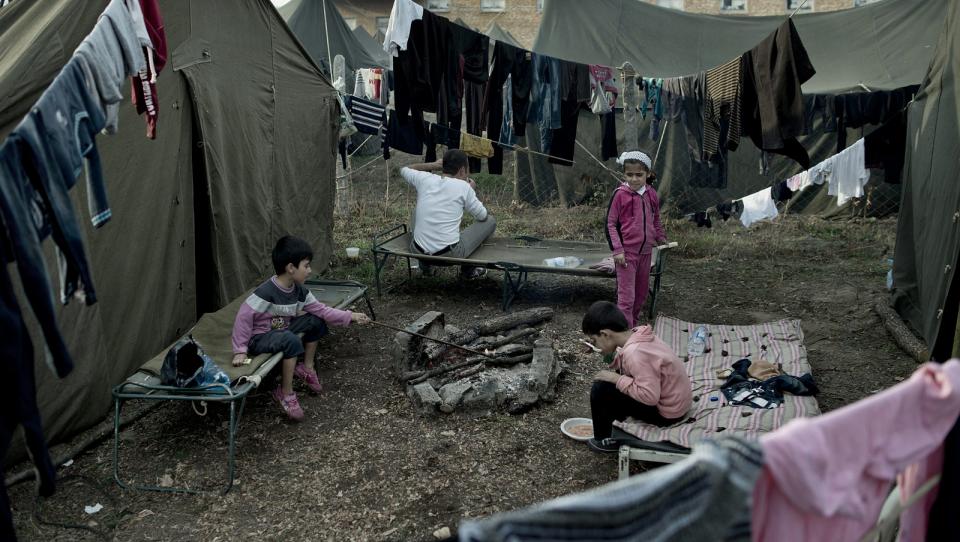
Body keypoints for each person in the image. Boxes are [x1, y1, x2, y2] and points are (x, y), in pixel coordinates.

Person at [231, 236, 371, 421]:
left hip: (282, 328)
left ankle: (307, 368)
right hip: (260, 337)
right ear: (291, 268)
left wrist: (350, 316)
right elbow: (243, 318)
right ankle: (286, 392)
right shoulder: (265, 293)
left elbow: (322, 310)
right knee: (291, 340)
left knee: (316, 319)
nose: (310, 270)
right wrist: (240, 350)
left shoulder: (299, 291)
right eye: (306, 265)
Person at [581, 301, 692, 453]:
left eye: (594, 340)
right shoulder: (638, 335)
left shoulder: (635, 353)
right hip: (677, 404)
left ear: (605, 334)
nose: (595, 344)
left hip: (668, 414)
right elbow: (625, 362)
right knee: (613, 383)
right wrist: (604, 353)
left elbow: (649, 396)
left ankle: (604, 439)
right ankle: (613, 421)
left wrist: (615, 379)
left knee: (601, 388)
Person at [400, 148, 496, 278]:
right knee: (490, 221)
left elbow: (404, 169)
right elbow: (482, 215)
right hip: (449, 254)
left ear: (443, 166)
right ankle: (469, 271)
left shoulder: (424, 179)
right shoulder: (464, 188)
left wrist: (433, 165)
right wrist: (469, 190)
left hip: (417, 250)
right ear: (462, 170)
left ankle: (425, 267)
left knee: (417, 211)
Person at [606, 150, 667, 327]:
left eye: (639, 175)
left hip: (646, 254)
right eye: (629, 174)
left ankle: (633, 327)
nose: (634, 179)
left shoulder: (651, 194)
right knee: (627, 298)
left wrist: (661, 237)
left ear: (648, 174)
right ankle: (626, 335)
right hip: (627, 255)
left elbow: (655, 219)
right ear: (624, 174)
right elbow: (610, 224)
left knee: (640, 295)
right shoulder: (620, 195)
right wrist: (617, 250)